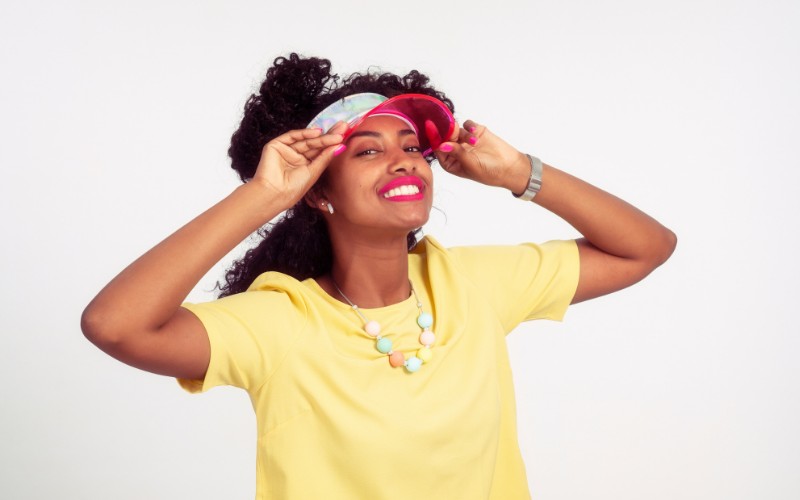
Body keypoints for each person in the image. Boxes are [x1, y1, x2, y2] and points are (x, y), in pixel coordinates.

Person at [81, 53, 676, 499]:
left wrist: (520, 172)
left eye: (412, 145)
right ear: (319, 191)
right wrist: (264, 196)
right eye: (367, 151)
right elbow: (114, 325)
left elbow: (646, 248)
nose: (402, 160)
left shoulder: (471, 284)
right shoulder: (281, 322)